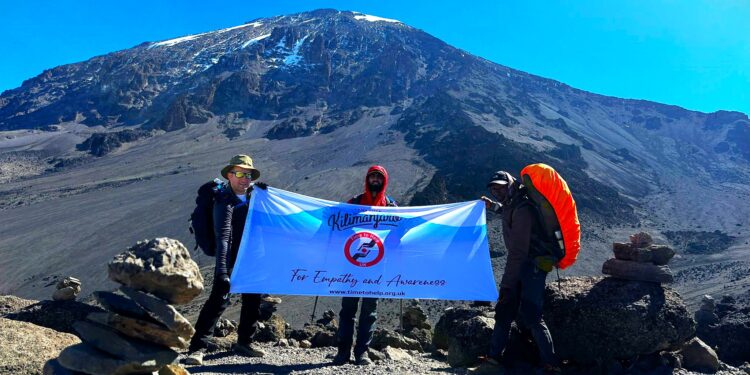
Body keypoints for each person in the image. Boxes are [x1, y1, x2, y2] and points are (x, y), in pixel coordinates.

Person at [186, 155, 268, 365]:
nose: (244, 178)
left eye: (248, 174)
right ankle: (197, 347)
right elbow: (223, 236)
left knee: (253, 299)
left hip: (250, 256)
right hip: (229, 257)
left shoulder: (252, 196)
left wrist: (267, 196)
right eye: (239, 173)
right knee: (219, 299)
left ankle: (244, 343)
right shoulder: (223, 200)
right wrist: (222, 271)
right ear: (229, 175)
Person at [480, 170, 560, 373]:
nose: (496, 190)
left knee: (532, 315)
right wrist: (493, 206)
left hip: (531, 265)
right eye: (493, 188)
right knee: (504, 311)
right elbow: (507, 212)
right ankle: (494, 357)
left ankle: (551, 364)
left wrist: (507, 282)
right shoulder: (512, 203)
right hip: (522, 264)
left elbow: (519, 252)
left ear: (510, 184)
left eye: (500, 186)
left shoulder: (523, 208)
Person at [332, 165, 397, 366]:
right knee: (347, 310)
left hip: (376, 267)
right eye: (372, 176)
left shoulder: (391, 206)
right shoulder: (355, 201)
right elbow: (336, 219)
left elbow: (398, 233)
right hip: (352, 265)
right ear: (367, 179)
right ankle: (343, 352)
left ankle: (362, 352)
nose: (375, 179)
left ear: (384, 180)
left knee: (369, 311)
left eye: (379, 177)